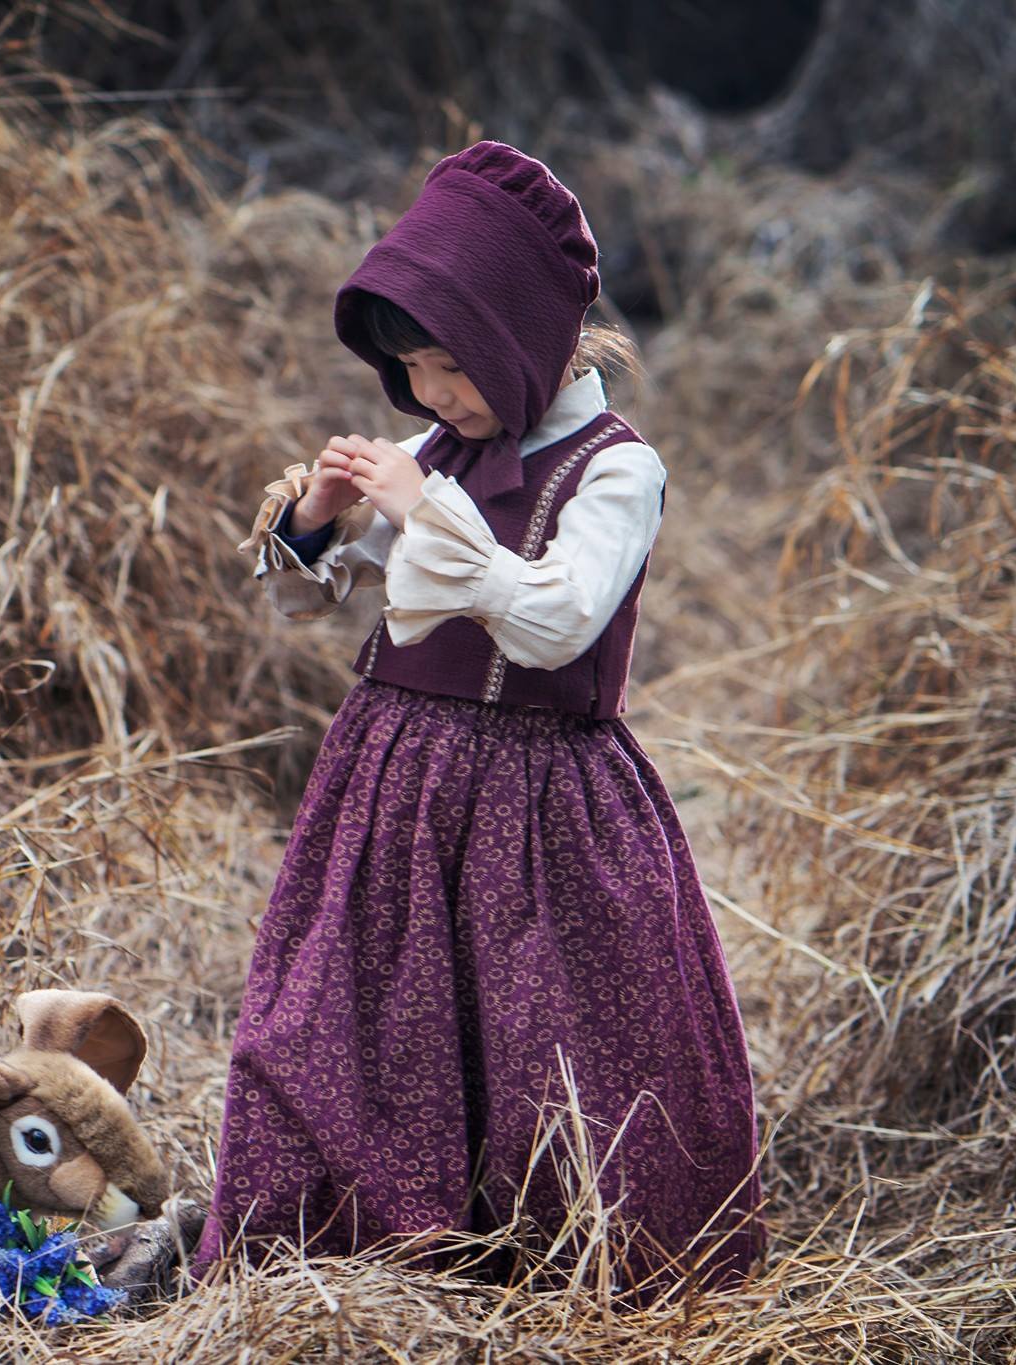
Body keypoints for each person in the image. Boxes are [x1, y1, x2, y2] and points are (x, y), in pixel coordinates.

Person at [189, 141, 763, 1301]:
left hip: (541, 801)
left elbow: (552, 624)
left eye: (449, 365)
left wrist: (424, 509)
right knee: (335, 1023)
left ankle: (546, 1267)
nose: (432, 398)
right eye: (411, 373)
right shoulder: (430, 453)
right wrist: (317, 516)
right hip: (390, 780)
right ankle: (343, 1254)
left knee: (551, 1047)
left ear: (516, 331)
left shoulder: (613, 471)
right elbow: (311, 593)